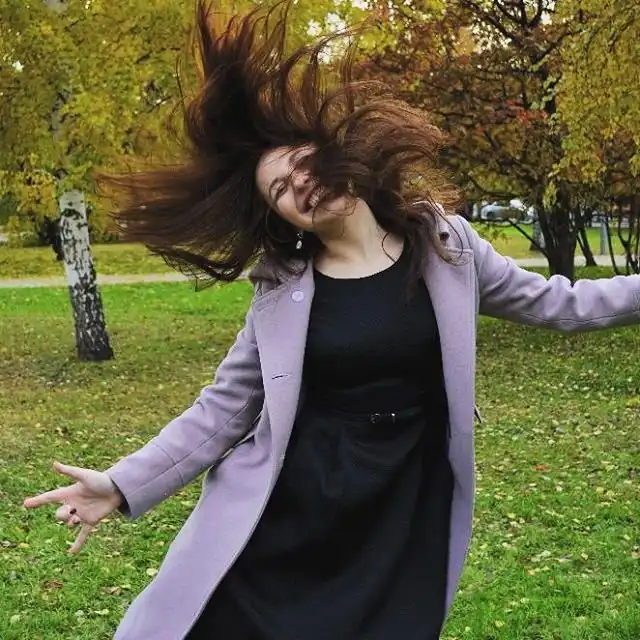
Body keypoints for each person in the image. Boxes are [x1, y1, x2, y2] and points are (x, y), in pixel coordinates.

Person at [23, 2, 640, 639]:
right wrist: (120, 485)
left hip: (402, 497)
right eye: (280, 190)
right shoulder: (283, 288)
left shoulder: (445, 246)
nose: (300, 185)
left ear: (336, 153)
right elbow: (223, 410)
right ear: (281, 219)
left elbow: (565, 304)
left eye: (302, 164)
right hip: (297, 504)